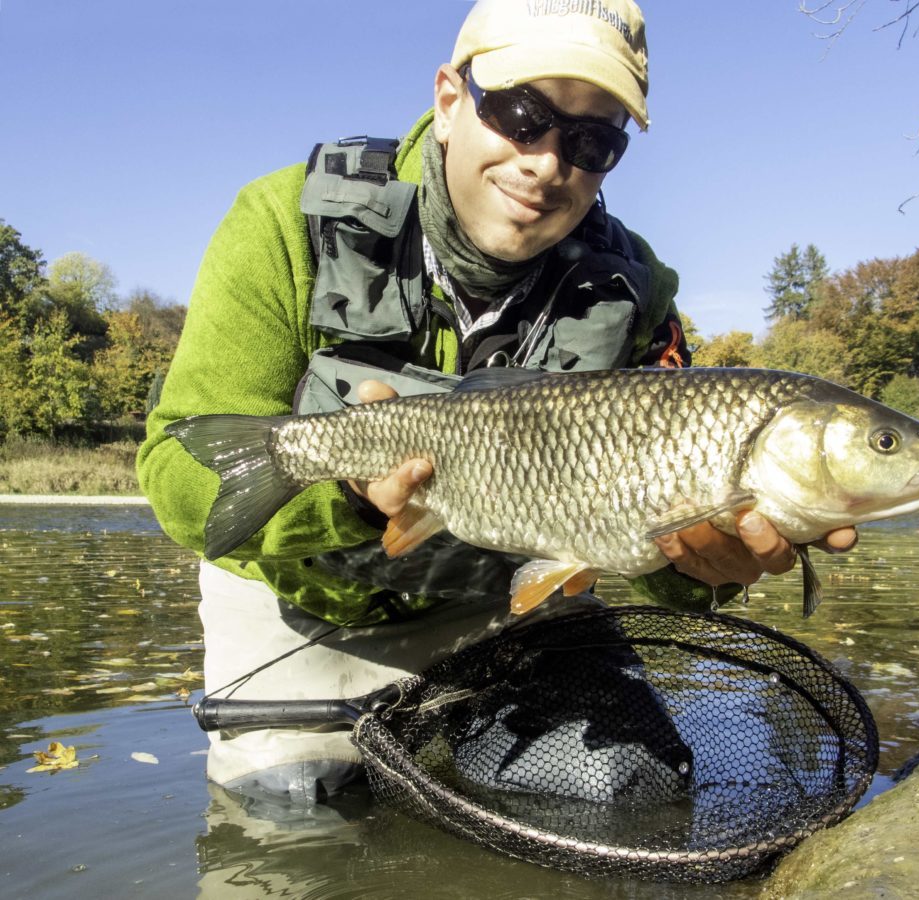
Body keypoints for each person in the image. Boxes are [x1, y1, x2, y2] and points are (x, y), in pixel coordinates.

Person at [138, 0, 857, 806]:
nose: (548, 163)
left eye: (592, 141)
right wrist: (344, 499)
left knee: (629, 791)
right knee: (297, 823)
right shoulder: (281, 222)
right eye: (522, 115)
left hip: (505, 608)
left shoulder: (632, 289)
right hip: (297, 606)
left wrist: (702, 572)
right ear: (451, 100)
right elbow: (177, 474)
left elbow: (648, 556)